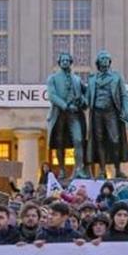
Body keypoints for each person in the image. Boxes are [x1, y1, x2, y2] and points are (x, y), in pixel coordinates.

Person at [85, 49, 128, 180]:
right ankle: (102, 170)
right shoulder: (92, 79)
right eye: (102, 59)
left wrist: (127, 112)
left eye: (107, 59)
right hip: (97, 113)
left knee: (115, 140)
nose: (105, 61)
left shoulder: (116, 77)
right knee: (100, 141)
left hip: (111, 112)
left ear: (110, 62)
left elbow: (123, 95)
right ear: (98, 62)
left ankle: (118, 170)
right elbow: (87, 98)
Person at [46, 51, 89, 179]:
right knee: (59, 143)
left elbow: (86, 93)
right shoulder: (52, 78)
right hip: (59, 114)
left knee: (78, 140)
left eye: (67, 60)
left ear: (70, 62)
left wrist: (83, 101)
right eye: (62, 60)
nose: (65, 62)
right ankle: (62, 169)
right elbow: (52, 95)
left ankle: (79, 169)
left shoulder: (77, 79)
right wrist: (65, 106)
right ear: (59, 63)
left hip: (74, 114)